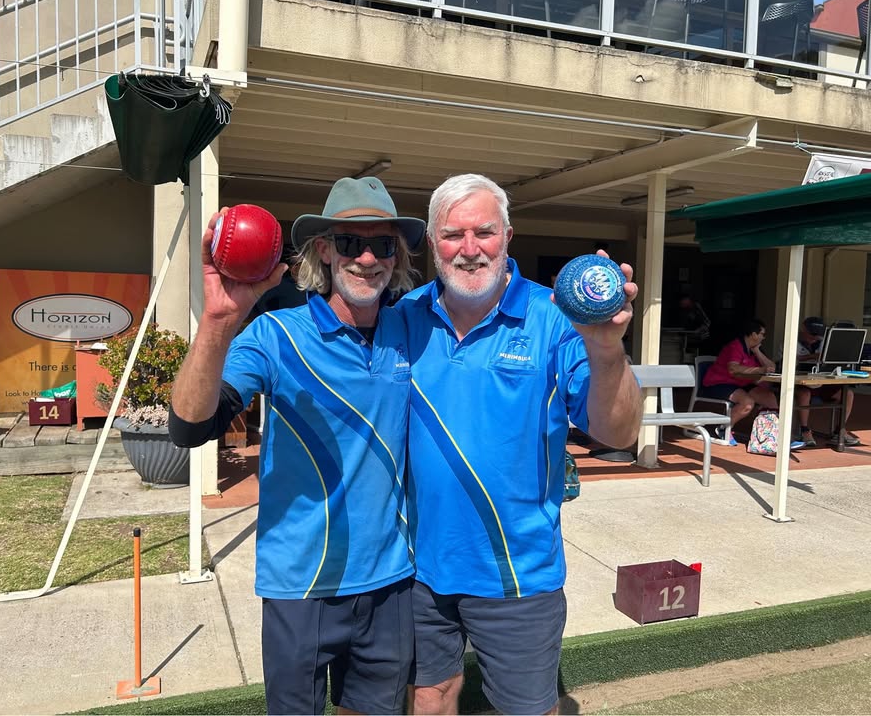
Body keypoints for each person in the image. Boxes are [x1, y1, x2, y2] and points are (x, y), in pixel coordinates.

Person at [168, 177, 425, 715]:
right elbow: (190, 428)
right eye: (351, 243)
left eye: (383, 244)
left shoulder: (410, 330)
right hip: (302, 583)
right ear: (325, 251)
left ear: (397, 255)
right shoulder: (276, 336)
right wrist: (217, 322)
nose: (368, 259)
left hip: (390, 580)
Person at [396, 174, 643, 715]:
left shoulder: (556, 317)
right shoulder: (405, 316)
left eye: (484, 232)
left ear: (507, 236)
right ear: (432, 243)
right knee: (430, 696)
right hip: (420, 566)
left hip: (517, 572)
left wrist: (606, 348)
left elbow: (619, 433)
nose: (469, 249)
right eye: (452, 235)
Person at [701, 318, 804, 447]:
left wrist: (757, 351)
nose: (764, 337)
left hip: (741, 383)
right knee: (747, 403)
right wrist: (760, 370)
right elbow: (733, 368)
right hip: (719, 383)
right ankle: (724, 428)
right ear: (754, 334)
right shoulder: (735, 346)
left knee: (772, 401)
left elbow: (771, 367)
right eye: (762, 334)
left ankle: (777, 437)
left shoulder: (753, 349)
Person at [793, 316, 859, 447]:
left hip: (822, 382)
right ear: (803, 329)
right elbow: (791, 359)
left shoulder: (824, 341)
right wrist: (812, 356)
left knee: (848, 394)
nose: (815, 337)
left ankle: (839, 430)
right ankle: (805, 430)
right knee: (804, 394)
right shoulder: (792, 340)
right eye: (812, 333)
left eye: (818, 334)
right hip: (802, 383)